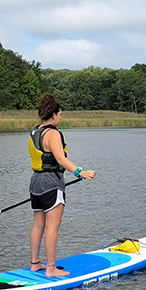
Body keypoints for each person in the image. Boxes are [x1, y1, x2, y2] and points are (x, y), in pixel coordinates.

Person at [28, 94, 95, 277]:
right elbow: (60, 158)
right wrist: (80, 172)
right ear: (55, 114)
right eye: (60, 114)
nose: (61, 117)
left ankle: (35, 263)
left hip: (36, 181)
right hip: (51, 182)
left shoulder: (35, 131)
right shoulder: (53, 134)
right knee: (52, 227)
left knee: (38, 224)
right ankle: (51, 268)